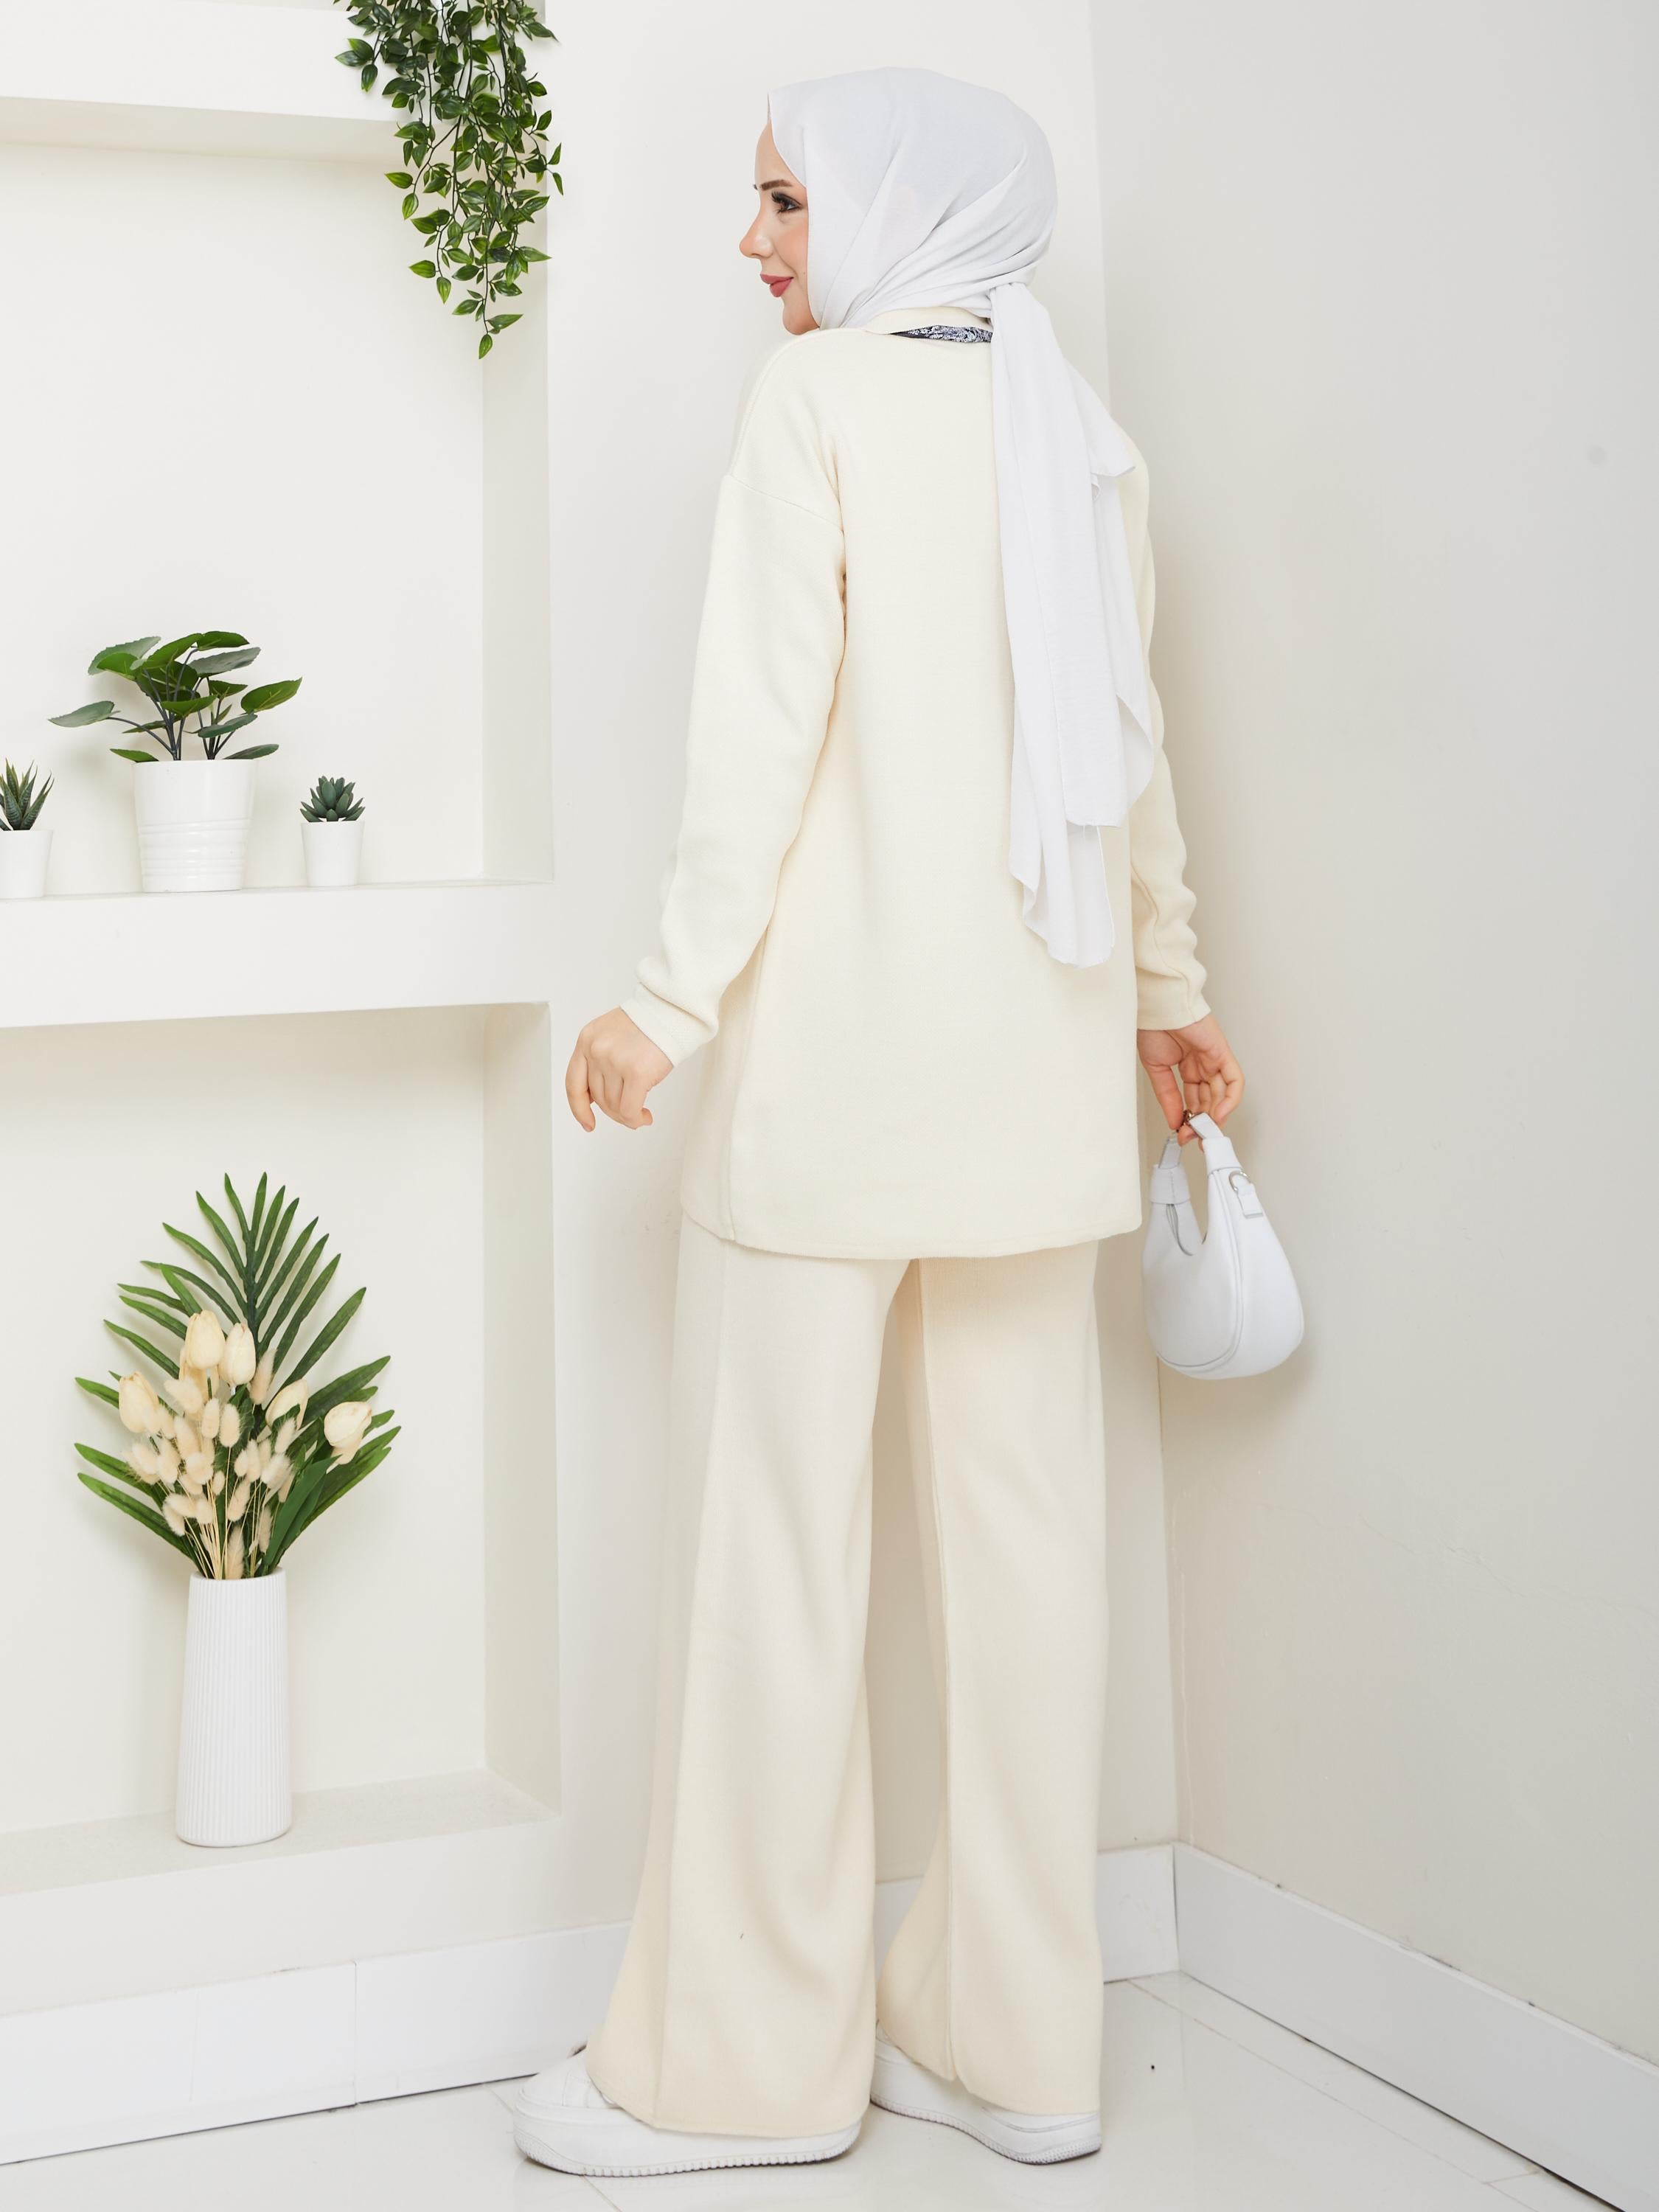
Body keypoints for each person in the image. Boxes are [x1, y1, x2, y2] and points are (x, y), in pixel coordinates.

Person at [515, 65, 1243, 2181]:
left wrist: (666, 1002)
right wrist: (1174, 1002)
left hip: (832, 1098)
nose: (754, 245)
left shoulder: (817, 406)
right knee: (1031, 1575)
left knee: (771, 1571)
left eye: (783, 202)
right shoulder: (1079, 433)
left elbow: (757, 740)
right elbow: (1136, 757)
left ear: (894, 207)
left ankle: (737, 2075)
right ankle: (1020, 2046)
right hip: (1035, 1106)